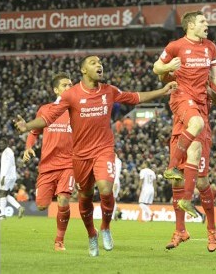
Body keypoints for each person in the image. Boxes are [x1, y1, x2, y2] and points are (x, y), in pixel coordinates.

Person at [14, 55, 177, 257]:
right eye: (93, 63)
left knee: (105, 187)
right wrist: (27, 127)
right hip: (80, 155)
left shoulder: (108, 91)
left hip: (103, 150)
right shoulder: (71, 95)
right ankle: (92, 234)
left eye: (100, 62)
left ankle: (106, 227)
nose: (99, 64)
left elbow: (135, 97)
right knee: (85, 197)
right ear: (83, 71)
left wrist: (162, 91)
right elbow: (46, 119)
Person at [153, 10, 216, 218]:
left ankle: (187, 199)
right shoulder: (175, 46)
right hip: (182, 96)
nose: (207, 24)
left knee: (195, 147)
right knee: (196, 123)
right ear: (190, 25)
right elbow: (156, 68)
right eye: (203, 21)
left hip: (200, 101)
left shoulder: (210, 47)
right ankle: (172, 167)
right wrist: (168, 66)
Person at [165, 82, 216, 252]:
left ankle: (212, 230)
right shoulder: (181, 74)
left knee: (201, 182)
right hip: (179, 132)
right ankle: (180, 231)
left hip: (200, 133)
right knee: (176, 181)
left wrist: (207, 89)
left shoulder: (212, 79)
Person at [22, 72, 74, 251]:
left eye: (70, 85)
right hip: (47, 165)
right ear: (56, 90)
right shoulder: (45, 110)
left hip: (69, 164)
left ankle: (59, 240)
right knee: (42, 205)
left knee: (63, 200)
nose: (69, 87)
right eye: (65, 85)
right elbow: (33, 132)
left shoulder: (76, 110)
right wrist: (29, 147)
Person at [0, 138, 25, 219]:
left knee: (2, 193)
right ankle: (19, 207)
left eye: (2, 144)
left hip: (7, 176)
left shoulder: (6, 152)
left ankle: (2, 215)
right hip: (12, 176)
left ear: (6, 144)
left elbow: (7, 164)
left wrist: (3, 176)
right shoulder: (9, 151)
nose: (0, 145)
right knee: (6, 194)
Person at [112, 153, 122, 220]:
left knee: (112, 199)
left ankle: (112, 215)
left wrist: (115, 182)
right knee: (113, 199)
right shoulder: (118, 161)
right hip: (115, 181)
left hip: (114, 181)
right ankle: (115, 213)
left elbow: (116, 172)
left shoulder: (116, 161)